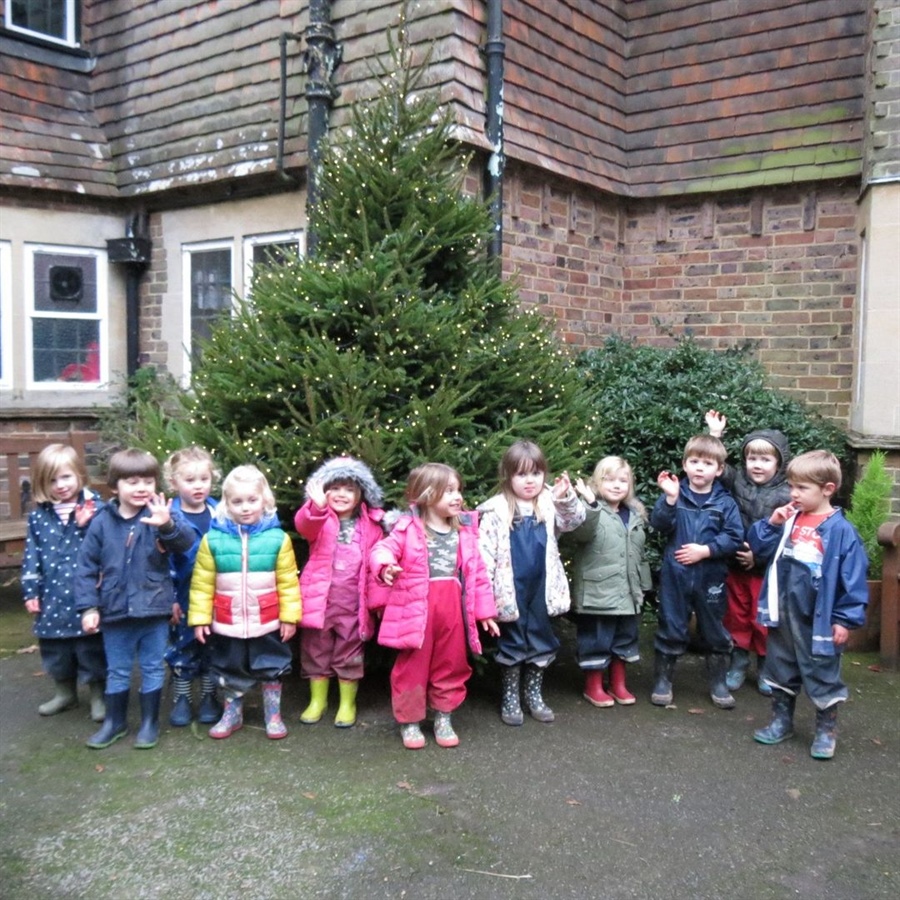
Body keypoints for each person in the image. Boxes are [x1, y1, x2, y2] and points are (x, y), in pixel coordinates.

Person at [748, 450, 868, 759]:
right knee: (780, 667)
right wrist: (772, 524)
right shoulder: (789, 520)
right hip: (785, 613)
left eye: (802, 488)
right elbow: (758, 551)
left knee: (822, 672)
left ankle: (826, 730)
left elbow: (852, 580)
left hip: (819, 619)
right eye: (791, 486)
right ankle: (781, 721)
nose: (793, 494)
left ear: (827, 489)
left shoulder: (841, 532)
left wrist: (844, 619)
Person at [369, 463, 498, 750]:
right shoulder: (407, 528)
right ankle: (410, 721)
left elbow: (477, 574)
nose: (457, 497)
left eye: (458, 490)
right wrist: (386, 566)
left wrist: (485, 612)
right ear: (427, 495)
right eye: (448, 491)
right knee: (411, 666)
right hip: (417, 609)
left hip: (452, 609)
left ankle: (443, 715)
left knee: (451, 663)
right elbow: (381, 549)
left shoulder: (464, 531)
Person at [76, 448, 194, 749]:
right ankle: (114, 723)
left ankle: (150, 723)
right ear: (115, 487)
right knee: (117, 670)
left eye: (148, 481)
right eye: (132, 482)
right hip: (115, 611)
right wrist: (89, 606)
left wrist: (166, 525)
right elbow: (86, 567)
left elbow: (185, 544)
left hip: (154, 609)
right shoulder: (102, 521)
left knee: (154, 667)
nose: (141, 488)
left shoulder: (162, 514)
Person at [188, 465, 300, 740]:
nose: (245, 507)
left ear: (265, 501)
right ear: (226, 503)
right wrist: (200, 618)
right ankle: (232, 713)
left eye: (252, 500)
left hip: (268, 618)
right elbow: (202, 583)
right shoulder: (212, 540)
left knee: (271, 664)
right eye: (237, 501)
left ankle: (272, 714)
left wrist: (289, 616)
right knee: (229, 665)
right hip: (228, 620)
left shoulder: (278, 539)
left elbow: (288, 582)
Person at [477, 440, 585, 726]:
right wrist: (484, 598)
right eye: (522, 474)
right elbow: (484, 557)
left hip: (541, 587)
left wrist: (565, 497)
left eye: (536, 474)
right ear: (508, 476)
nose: (530, 481)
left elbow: (575, 521)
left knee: (540, 636)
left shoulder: (550, 503)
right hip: (509, 589)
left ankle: (533, 693)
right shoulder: (495, 511)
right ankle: (510, 695)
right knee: (512, 639)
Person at [650, 434, 744, 710]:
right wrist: (669, 499)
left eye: (707, 463)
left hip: (711, 577)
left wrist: (707, 550)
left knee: (715, 630)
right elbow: (658, 524)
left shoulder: (725, 502)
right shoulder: (675, 495)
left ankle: (718, 682)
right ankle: (663, 681)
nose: (700, 468)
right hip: (676, 575)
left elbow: (735, 536)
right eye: (694, 461)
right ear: (684, 465)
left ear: (719, 469)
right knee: (671, 625)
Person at [294, 456, 386, 728]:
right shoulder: (320, 519)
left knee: (349, 652)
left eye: (349, 489)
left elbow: (376, 559)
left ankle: (347, 703)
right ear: (324, 491)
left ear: (361, 495)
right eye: (335, 488)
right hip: (319, 603)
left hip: (353, 605)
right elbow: (304, 524)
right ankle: (317, 700)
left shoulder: (370, 524)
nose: (342, 494)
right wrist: (316, 507)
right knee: (315, 650)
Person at [706, 411, 791, 695]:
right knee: (736, 617)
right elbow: (716, 465)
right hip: (735, 567)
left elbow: (786, 537)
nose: (757, 465)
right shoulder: (738, 480)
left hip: (766, 573)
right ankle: (739, 662)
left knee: (763, 619)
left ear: (778, 464)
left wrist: (759, 558)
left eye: (765, 460)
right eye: (752, 458)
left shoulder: (787, 494)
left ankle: (766, 668)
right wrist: (715, 435)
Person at [21, 444, 106, 721]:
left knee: (90, 648)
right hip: (52, 595)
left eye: (66, 477)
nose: (60, 485)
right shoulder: (38, 517)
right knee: (56, 650)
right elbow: (32, 555)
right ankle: (65, 693)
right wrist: (30, 591)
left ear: (79, 475)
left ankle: (98, 694)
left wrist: (86, 526)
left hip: (86, 594)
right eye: (52, 480)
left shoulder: (95, 509)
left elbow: (105, 546)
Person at [568, 456, 652, 707]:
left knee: (625, 638)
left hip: (628, 591)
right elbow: (580, 534)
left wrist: (643, 585)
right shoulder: (589, 509)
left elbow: (638, 553)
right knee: (596, 638)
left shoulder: (635, 514)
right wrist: (591, 504)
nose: (617, 485)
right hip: (598, 591)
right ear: (596, 482)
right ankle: (593, 685)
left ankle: (618, 683)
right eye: (610, 479)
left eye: (623, 481)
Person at [163, 446, 221, 727]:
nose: (198, 486)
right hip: (183, 594)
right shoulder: (169, 516)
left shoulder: (220, 511)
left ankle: (210, 695)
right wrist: (170, 598)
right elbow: (162, 562)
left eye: (203, 479)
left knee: (212, 645)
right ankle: (182, 697)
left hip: (216, 593)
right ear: (174, 483)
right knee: (183, 646)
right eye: (189, 480)